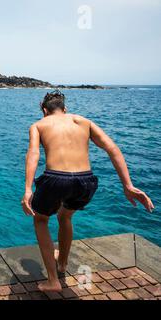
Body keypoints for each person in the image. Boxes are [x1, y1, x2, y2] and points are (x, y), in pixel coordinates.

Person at [21, 90, 154, 293]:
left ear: (44, 110)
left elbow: (33, 153)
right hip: (85, 181)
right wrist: (127, 185)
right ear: (65, 109)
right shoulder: (84, 121)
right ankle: (63, 263)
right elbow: (112, 148)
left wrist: (28, 189)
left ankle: (53, 280)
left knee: (41, 220)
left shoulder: (39, 125)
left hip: (56, 178)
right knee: (65, 216)